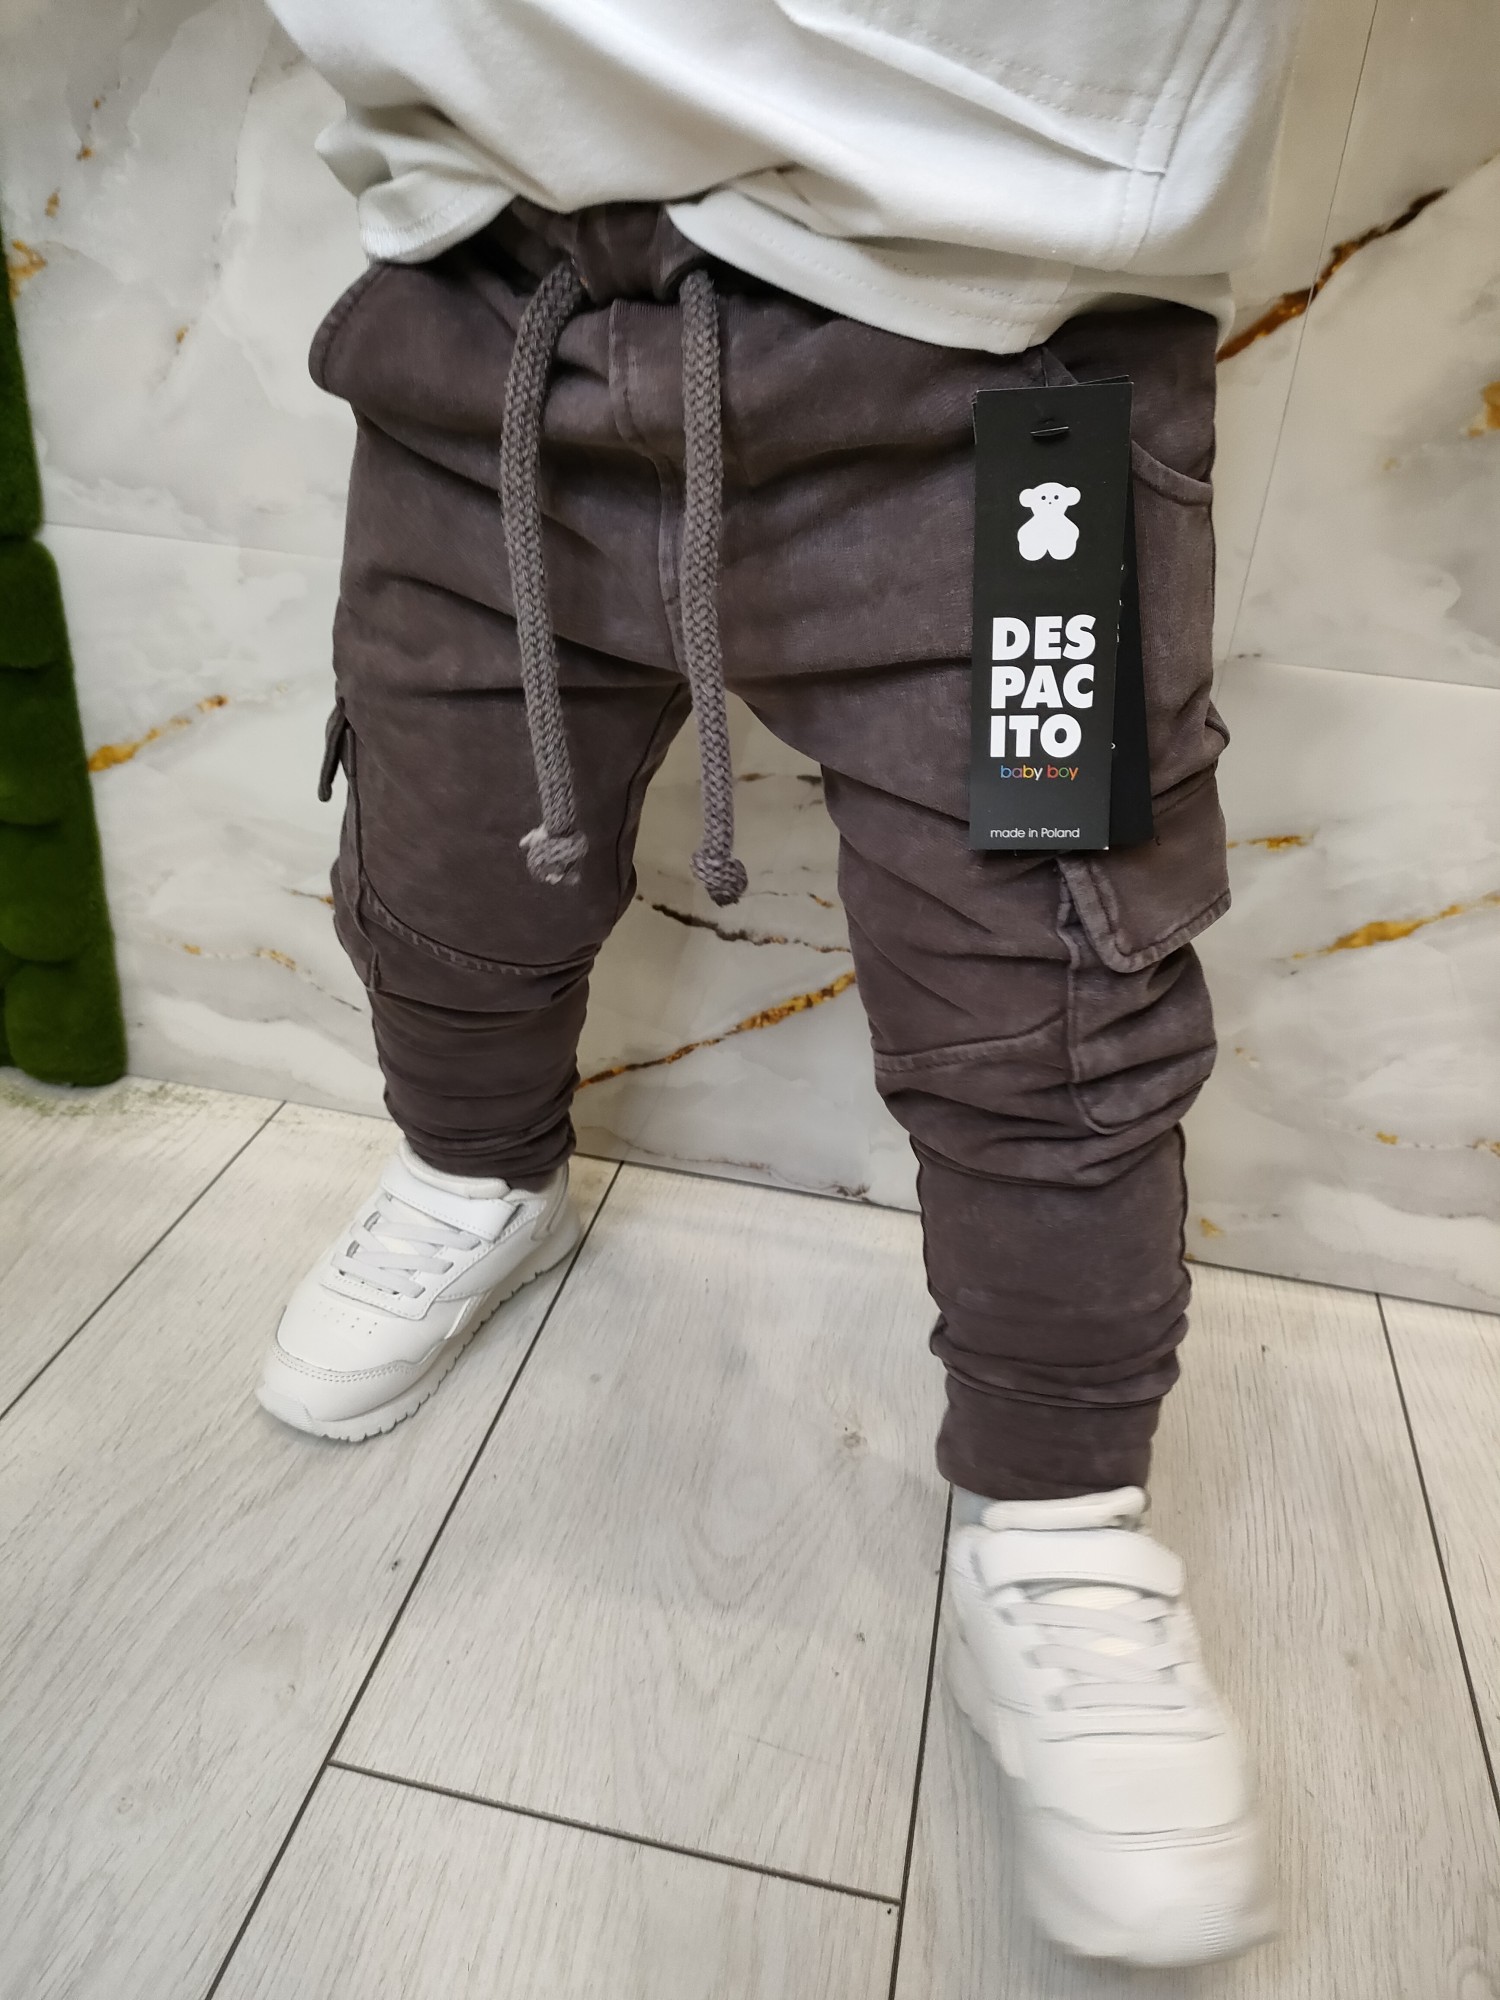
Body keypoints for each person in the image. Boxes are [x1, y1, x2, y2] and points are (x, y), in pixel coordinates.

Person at [255, 0, 1303, 1966]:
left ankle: (1061, 1523)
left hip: (995, 333)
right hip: (484, 298)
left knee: (1050, 1000)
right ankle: (477, 1175)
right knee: (445, 848)